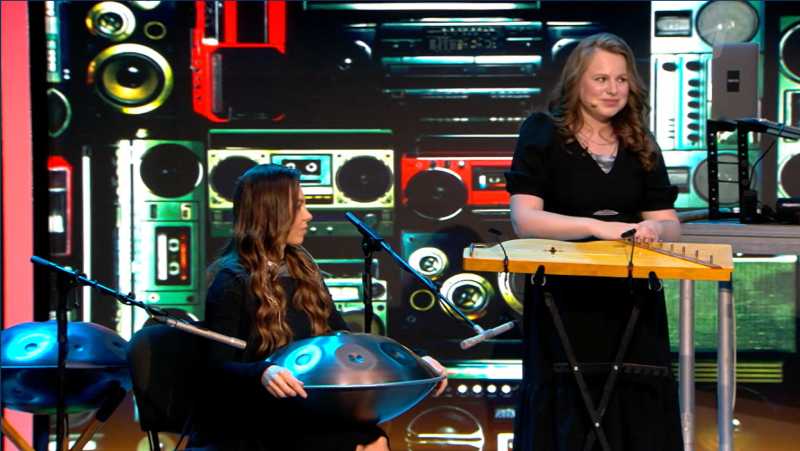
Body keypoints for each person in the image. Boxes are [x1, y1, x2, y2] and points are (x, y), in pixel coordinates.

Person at [188, 164, 447, 451]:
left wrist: (418, 360)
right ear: (272, 212)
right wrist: (261, 373)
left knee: (374, 440)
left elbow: (344, 339)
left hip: (303, 410)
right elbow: (213, 370)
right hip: (252, 416)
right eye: (299, 206)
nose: (308, 216)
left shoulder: (303, 268)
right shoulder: (231, 280)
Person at [505, 33, 683, 450]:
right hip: (564, 299)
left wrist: (656, 231)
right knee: (571, 413)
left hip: (632, 300)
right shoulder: (542, 132)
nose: (612, 89)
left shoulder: (640, 141)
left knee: (634, 409)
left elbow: (669, 223)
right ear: (577, 82)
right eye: (601, 79)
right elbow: (524, 219)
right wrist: (598, 227)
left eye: (621, 80)